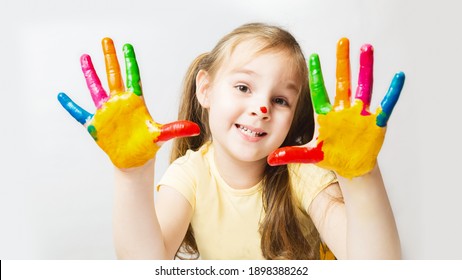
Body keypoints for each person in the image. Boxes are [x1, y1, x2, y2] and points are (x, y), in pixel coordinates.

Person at [58, 22, 403, 260]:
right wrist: (132, 174)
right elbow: (145, 267)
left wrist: (361, 176)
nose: (262, 107)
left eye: (281, 100)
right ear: (205, 89)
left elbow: (376, 269)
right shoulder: (191, 174)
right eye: (243, 87)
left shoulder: (303, 176)